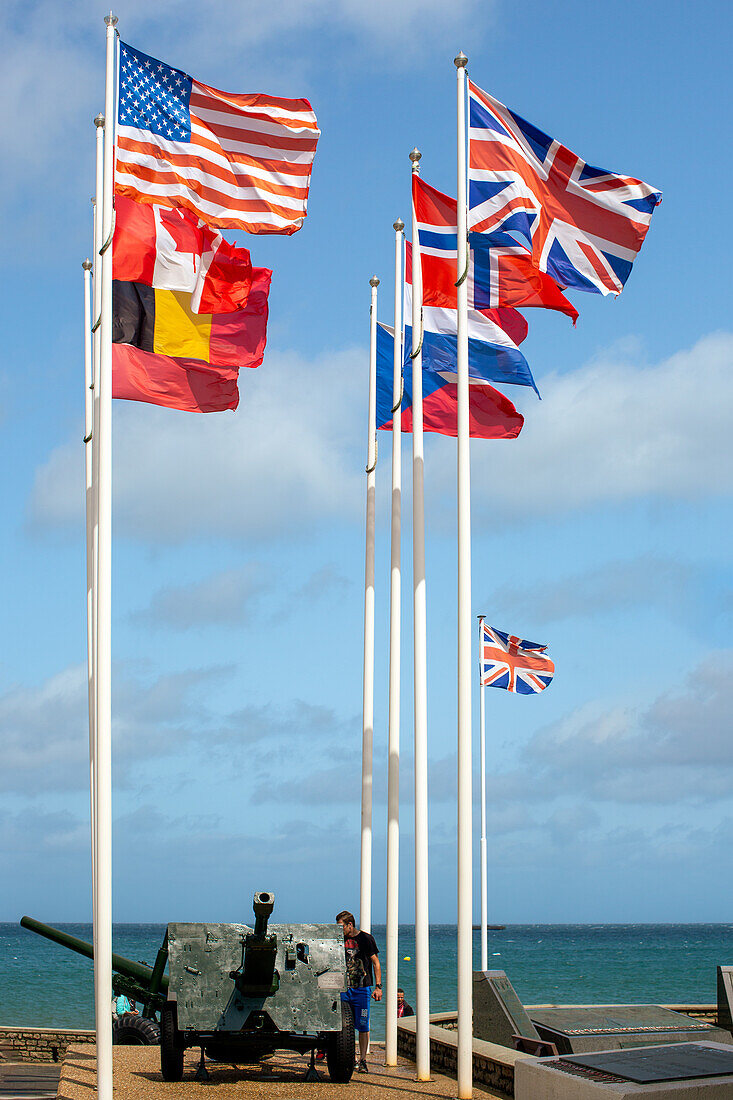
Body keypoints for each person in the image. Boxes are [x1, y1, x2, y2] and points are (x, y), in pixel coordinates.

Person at [336, 909, 381, 1074]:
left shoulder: (366, 939)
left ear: (350, 925)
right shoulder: (338, 939)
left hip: (361, 988)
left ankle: (362, 1059)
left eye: (342, 927)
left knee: (362, 1025)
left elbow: (375, 962)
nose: (340, 930)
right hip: (343, 988)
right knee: (343, 1024)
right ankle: (349, 1057)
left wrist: (378, 987)